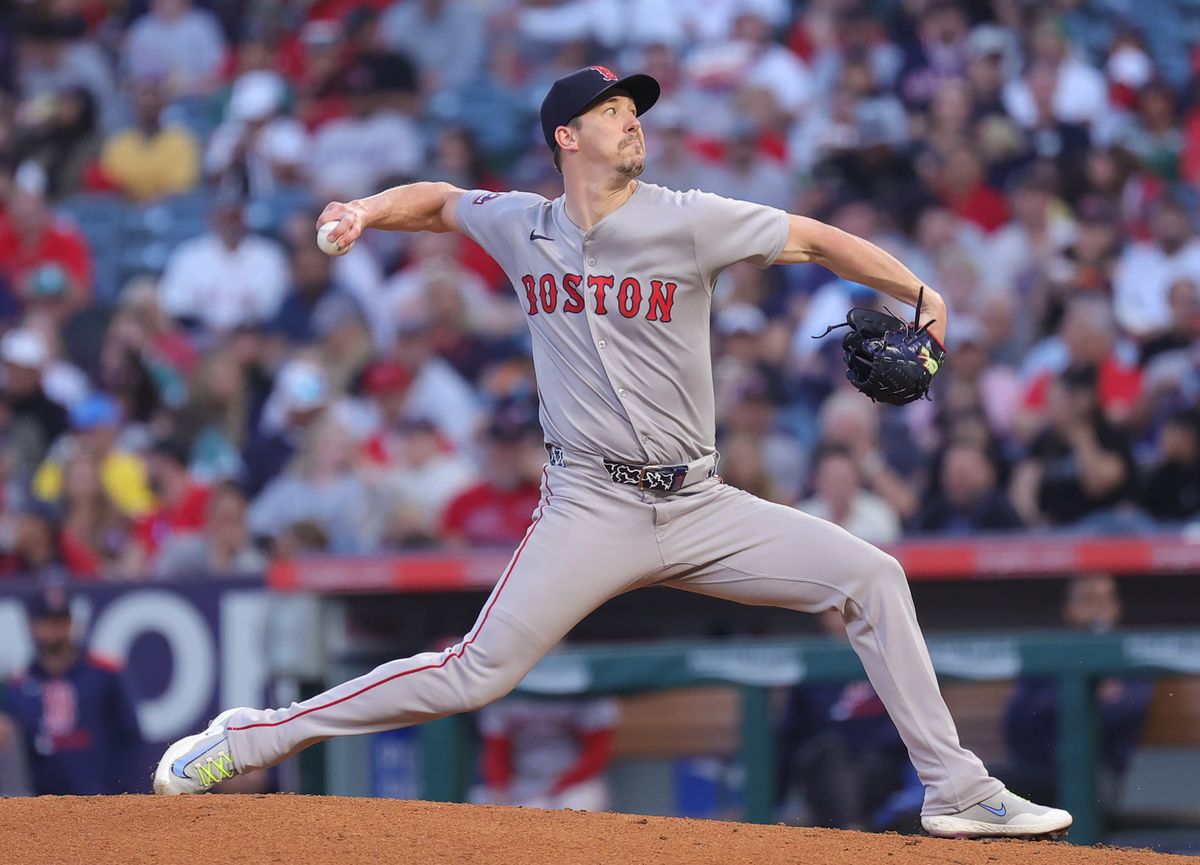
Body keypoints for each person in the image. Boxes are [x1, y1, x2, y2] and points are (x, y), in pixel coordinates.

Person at [154, 65, 1072, 839]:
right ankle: (255, 735)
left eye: (635, 112)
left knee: (872, 577)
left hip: (703, 502)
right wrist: (365, 210)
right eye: (613, 113)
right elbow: (437, 201)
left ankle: (957, 789)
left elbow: (816, 239)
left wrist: (925, 295)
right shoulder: (523, 225)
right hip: (590, 506)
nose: (633, 123)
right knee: (476, 671)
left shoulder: (686, 218)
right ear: (567, 137)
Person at [1000, 575, 1153, 814]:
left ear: (1116, 607)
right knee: (990, 786)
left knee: (1089, 791)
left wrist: (1051, 704)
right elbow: (1017, 720)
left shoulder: (1129, 655)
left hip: (1099, 772)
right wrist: (1084, 697)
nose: (1096, 607)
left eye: (1103, 599)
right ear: (1068, 608)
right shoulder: (1048, 653)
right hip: (1040, 767)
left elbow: (1125, 714)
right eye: (1086, 599)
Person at [5, 587, 144, 793]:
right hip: (42, 806)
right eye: (46, 622)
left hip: (102, 799)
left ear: (71, 623)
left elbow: (129, 737)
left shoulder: (104, 674)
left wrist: (128, 792)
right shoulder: (17, 687)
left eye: (60, 621)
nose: (54, 630)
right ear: (30, 625)